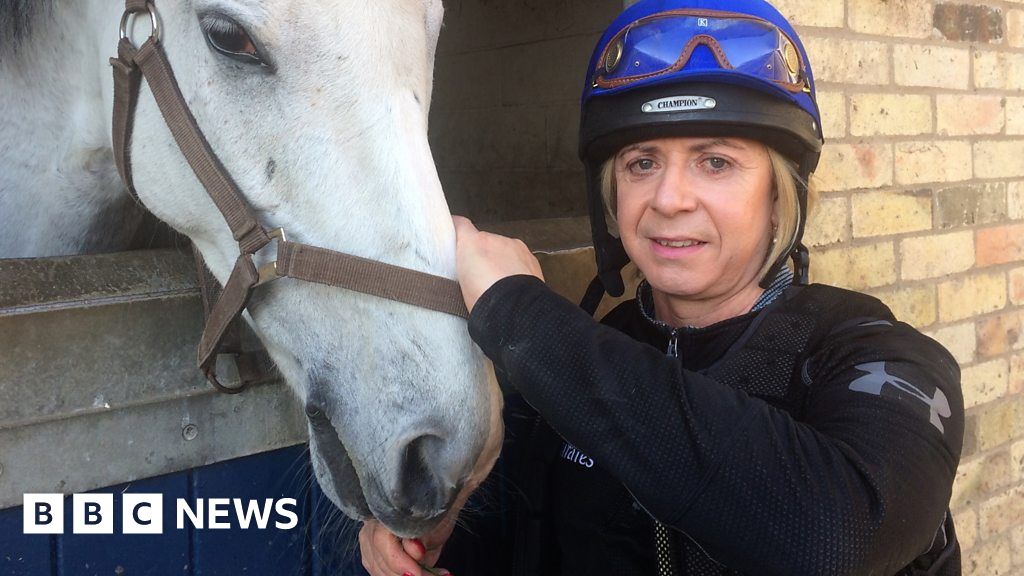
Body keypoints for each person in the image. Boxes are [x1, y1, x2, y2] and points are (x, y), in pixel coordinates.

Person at [359, 0, 965, 574]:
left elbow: (835, 537)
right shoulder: (582, 357)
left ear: (781, 198)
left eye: (715, 161)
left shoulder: (878, 358)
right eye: (642, 163)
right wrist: (438, 534)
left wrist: (520, 314)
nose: (669, 199)